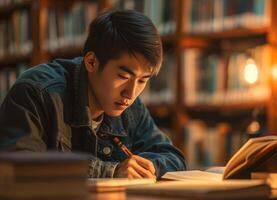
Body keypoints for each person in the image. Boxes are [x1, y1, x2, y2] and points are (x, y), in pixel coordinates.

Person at [0, 10, 186, 179]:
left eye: (143, 80)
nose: (131, 92)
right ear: (91, 62)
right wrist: (111, 171)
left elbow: (173, 157)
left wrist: (147, 167)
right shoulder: (36, 92)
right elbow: (19, 168)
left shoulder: (130, 105)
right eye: (123, 76)